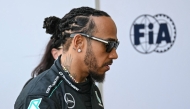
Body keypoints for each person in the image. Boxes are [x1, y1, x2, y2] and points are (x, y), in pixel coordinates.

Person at [14, 6, 119, 109]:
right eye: (108, 45)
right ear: (78, 42)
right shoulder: (41, 95)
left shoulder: (91, 88)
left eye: (115, 45)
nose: (115, 55)